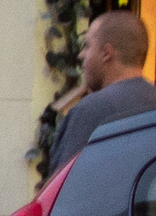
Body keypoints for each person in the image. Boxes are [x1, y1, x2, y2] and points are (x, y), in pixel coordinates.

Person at [44, 11, 156, 176]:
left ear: (106, 53)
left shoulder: (91, 111)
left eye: (87, 46)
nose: (82, 55)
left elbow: (63, 190)